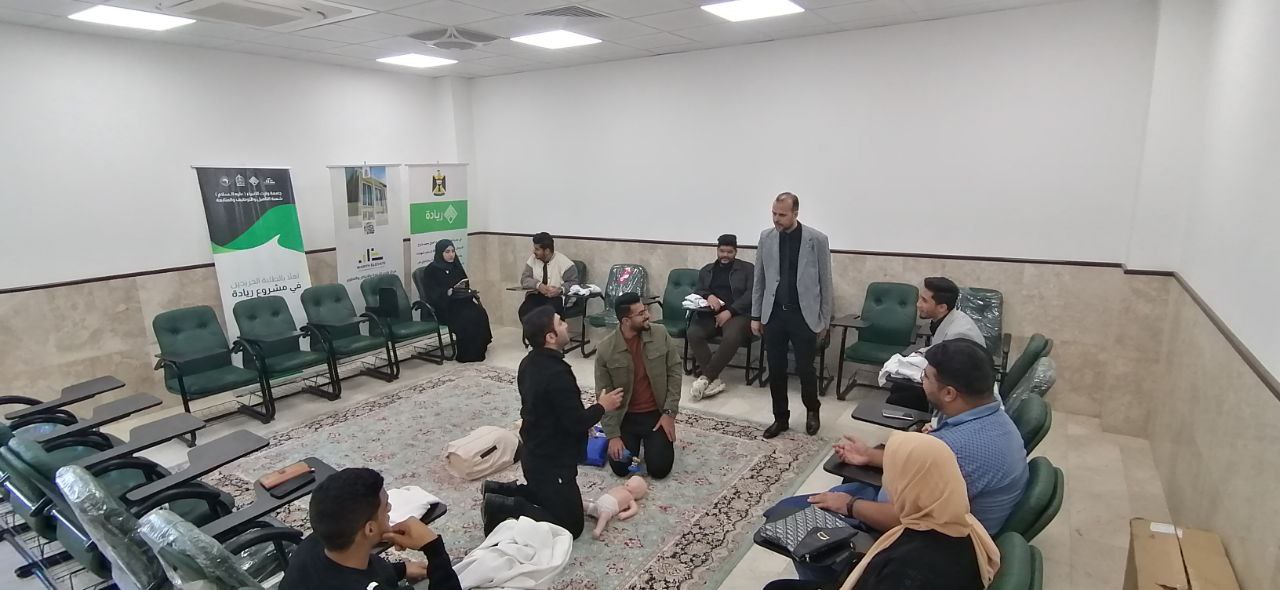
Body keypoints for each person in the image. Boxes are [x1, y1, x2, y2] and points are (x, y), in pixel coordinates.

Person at [764, 339, 1026, 585]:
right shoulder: (990, 418)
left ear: (949, 393)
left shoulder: (959, 447)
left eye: (926, 377)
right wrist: (869, 455)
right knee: (800, 506)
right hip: (912, 512)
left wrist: (850, 505)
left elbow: (914, 520)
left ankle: (828, 578)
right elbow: (924, 467)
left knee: (787, 517)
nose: (921, 381)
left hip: (919, 542)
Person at [762, 433, 1000, 590]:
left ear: (912, 486)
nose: (887, 482)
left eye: (893, 474)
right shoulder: (959, 522)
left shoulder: (910, 569)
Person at [482, 306, 624, 539]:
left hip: (535, 452)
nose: (566, 325)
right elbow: (576, 422)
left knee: (556, 502)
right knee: (571, 526)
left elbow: (553, 413)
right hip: (551, 461)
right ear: (550, 336)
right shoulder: (557, 374)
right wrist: (602, 406)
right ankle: (505, 506)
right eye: (560, 323)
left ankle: (500, 490)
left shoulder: (528, 362)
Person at [280, 467, 461, 590]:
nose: (389, 508)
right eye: (385, 505)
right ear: (370, 529)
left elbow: (359, 572)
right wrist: (434, 549)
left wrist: (401, 569)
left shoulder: (315, 544)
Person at [752, 192, 833, 438]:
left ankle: (812, 410)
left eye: (782, 215)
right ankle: (780, 418)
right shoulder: (766, 237)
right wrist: (756, 316)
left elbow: (825, 282)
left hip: (803, 316)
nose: (776, 219)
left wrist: (825, 320)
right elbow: (760, 279)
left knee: (805, 368)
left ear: (795, 213)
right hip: (774, 314)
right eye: (774, 213)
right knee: (775, 369)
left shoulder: (816, 239)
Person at [595, 292, 683, 479]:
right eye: (641, 313)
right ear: (626, 321)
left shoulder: (660, 333)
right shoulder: (605, 349)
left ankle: (652, 443)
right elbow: (603, 396)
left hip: (656, 414)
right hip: (625, 416)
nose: (648, 315)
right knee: (621, 467)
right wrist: (613, 436)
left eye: (646, 310)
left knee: (659, 469)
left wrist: (669, 414)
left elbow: (675, 371)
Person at [885, 276, 987, 410]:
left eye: (924, 300)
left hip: (961, 397)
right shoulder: (947, 318)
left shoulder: (959, 335)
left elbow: (951, 380)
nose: (918, 304)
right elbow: (938, 349)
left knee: (898, 398)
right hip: (947, 383)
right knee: (898, 387)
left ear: (942, 307)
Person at [687, 233, 755, 401]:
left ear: (736, 252)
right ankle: (714, 379)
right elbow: (699, 289)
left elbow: (751, 294)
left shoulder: (748, 269)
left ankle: (706, 377)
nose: (725, 255)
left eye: (729, 252)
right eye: (722, 251)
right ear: (717, 250)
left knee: (731, 336)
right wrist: (708, 295)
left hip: (738, 314)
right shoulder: (707, 269)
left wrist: (730, 311)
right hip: (710, 314)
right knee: (693, 333)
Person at [421, 239, 492, 362]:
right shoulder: (431, 270)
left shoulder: (456, 266)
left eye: (453, 251)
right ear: (440, 253)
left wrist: (463, 290)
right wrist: (446, 292)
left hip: (461, 302)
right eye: (447, 252)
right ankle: (467, 353)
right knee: (466, 317)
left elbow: (465, 283)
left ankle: (480, 347)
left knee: (480, 312)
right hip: (444, 307)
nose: (451, 254)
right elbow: (431, 293)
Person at [517, 232, 580, 319]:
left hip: (556, 298)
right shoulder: (532, 259)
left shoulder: (565, 263)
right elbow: (524, 279)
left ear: (547, 251)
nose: (534, 251)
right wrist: (538, 285)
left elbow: (574, 283)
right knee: (524, 310)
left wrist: (560, 290)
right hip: (535, 295)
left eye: (537, 249)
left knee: (546, 314)